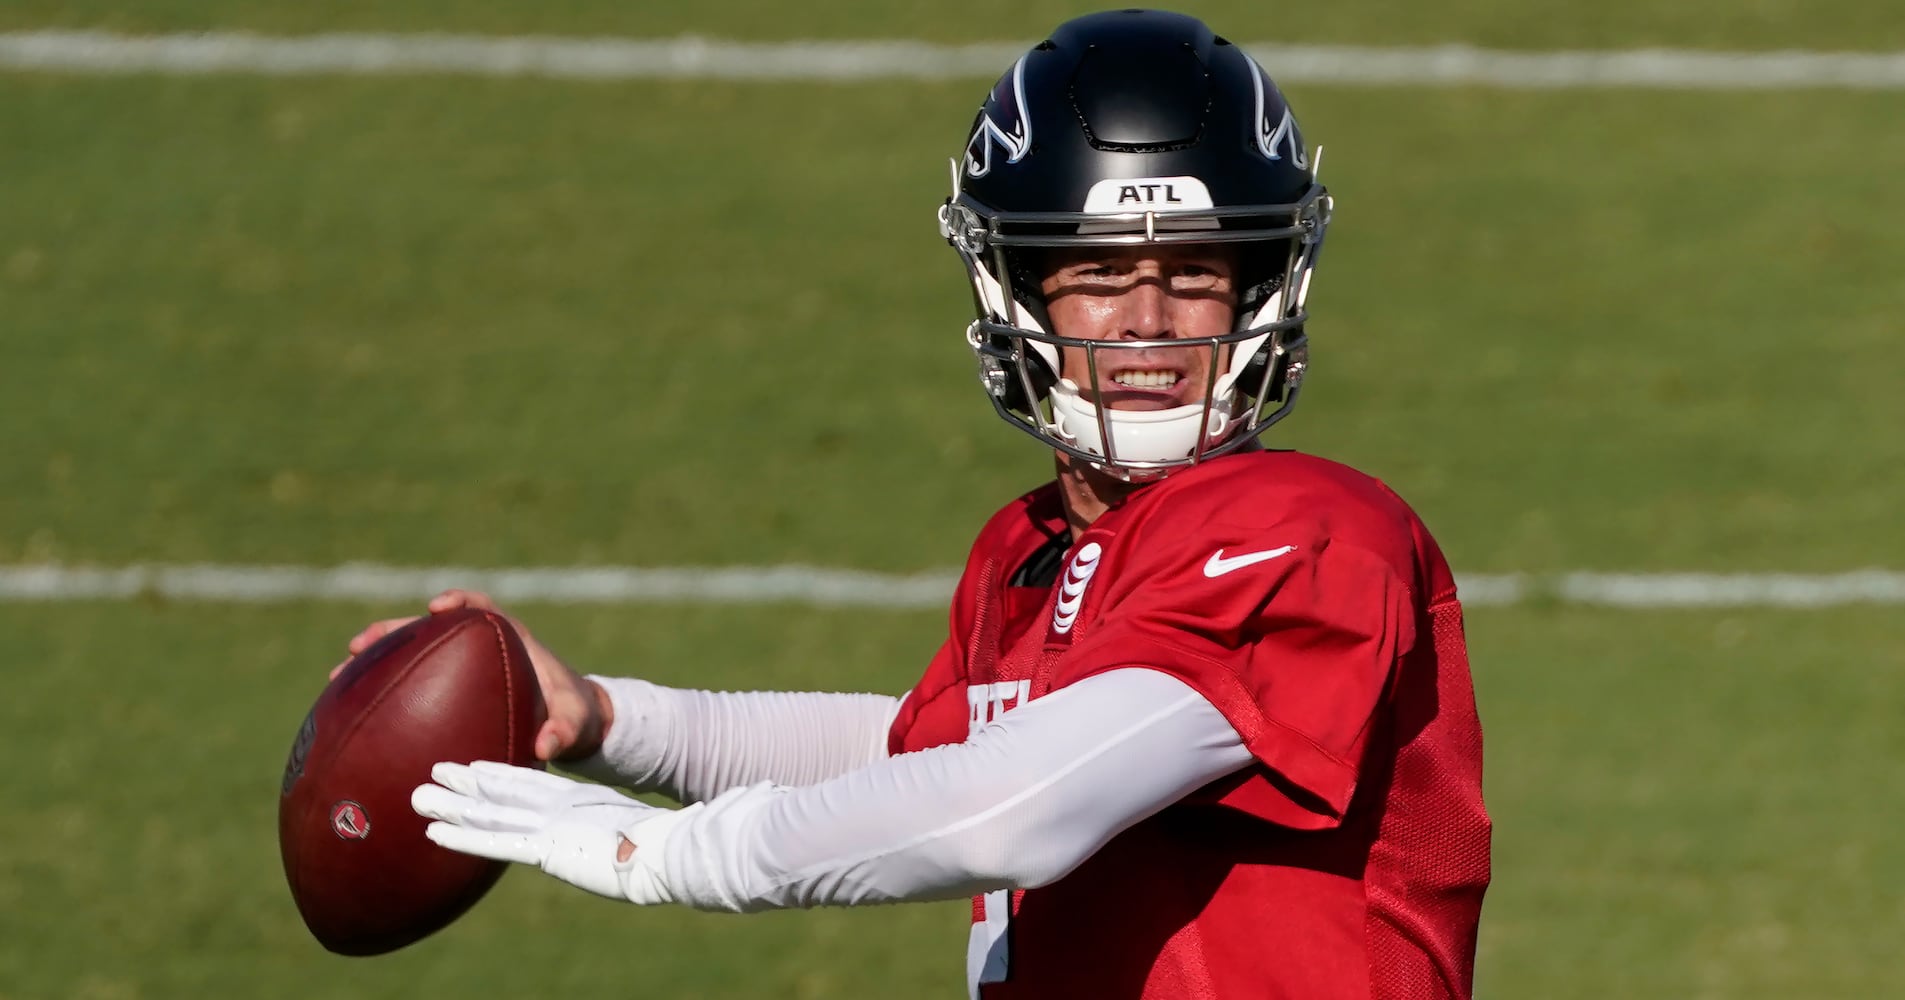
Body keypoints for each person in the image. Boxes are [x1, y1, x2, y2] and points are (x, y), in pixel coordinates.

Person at [356, 10, 1490, 998]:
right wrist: (612, 721)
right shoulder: (1032, 547)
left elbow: (1014, 808)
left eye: (1194, 270)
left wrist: (661, 856)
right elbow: (921, 751)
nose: (1148, 320)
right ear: (1015, 292)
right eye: (1098, 272)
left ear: (1260, 290)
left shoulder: (1313, 530)